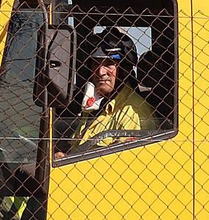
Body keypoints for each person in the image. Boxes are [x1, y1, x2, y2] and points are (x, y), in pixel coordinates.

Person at [57, 27, 156, 155]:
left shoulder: (134, 112)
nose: (100, 72)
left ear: (124, 70)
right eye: (95, 64)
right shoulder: (95, 104)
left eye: (109, 64)